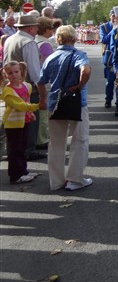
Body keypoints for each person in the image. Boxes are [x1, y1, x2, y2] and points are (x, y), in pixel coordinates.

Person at [40, 25, 92, 191]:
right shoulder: (78, 55)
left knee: (56, 142)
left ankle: (56, 181)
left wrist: (43, 98)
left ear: (58, 39)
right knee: (80, 140)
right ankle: (75, 179)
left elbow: (41, 81)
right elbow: (86, 70)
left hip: (55, 102)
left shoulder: (51, 57)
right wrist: (79, 85)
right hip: (76, 102)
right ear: (75, 38)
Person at [3, 13, 48, 162]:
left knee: (15, 118)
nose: (36, 30)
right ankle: (28, 150)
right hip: (25, 86)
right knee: (29, 119)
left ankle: (17, 150)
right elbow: (34, 72)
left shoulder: (10, 39)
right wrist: (42, 91)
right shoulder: (28, 42)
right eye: (35, 27)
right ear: (30, 28)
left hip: (12, 84)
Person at [2, 61, 41, 184]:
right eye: (10, 73)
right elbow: (20, 105)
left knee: (23, 148)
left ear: (21, 71)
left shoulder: (26, 86)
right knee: (15, 150)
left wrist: (30, 113)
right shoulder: (8, 91)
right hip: (13, 124)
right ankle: (15, 175)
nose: (14, 75)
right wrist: (36, 107)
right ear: (5, 75)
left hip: (24, 121)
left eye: (16, 72)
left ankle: (23, 171)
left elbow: (26, 100)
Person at [34, 16, 56, 150]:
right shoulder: (45, 44)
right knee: (44, 111)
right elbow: (49, 65)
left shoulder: (35, 41)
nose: (52, 31)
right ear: (46, 29)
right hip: (44, 80)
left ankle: (38, 138)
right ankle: (42, 139)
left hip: (37, 79)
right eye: (51, 29)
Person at [99, 10, 117, 109]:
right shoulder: (104, 27)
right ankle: (108, 99)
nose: (115, 18)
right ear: (110, 16)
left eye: (117, 16)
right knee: (110, 81)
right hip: (110, 57)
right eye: (113, 16)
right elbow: (104, 40)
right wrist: (114, 29)